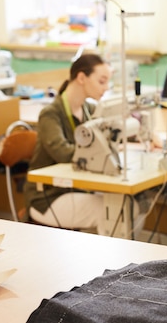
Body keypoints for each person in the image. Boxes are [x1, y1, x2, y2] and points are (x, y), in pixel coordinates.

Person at [24, 53, 111, 230]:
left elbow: (114, 125)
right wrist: (98, 152)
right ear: (81, 77)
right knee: (108, 210)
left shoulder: (89, 110)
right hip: (48, 196)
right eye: (102, 81)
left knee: (125, 203)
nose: (106, 87)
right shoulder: (51, 113)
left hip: (77, 188)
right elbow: (62, 152)